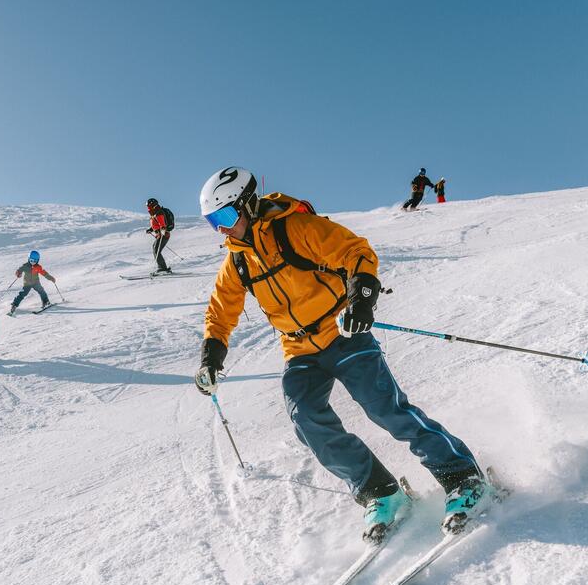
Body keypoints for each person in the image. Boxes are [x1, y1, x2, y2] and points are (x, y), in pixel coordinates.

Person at [195, 166, 490, 543]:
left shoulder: (297, 229)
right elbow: (219, 313)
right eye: (212, 222)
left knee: (385, 408)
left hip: (343, 333)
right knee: (306, 418)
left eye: (225, 216)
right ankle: (381, 492)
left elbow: (356, 252)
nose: (221, 229)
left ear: (248, 204)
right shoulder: (236, 262)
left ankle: (463, 476)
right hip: (299, 349)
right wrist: (210, 358)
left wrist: (361, 301)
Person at [9, 250, 56, 315]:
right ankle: (14, 305)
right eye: (31, 260)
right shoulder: (25, 266)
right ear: (28, 259)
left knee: (42, 291)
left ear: (37, 260)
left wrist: (51, 278)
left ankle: (46, 302)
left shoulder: (38, 267)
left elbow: (44, 273)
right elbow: (19, 270)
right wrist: (18, 274)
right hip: (27, 284)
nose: (33, 262)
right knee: (22, 294)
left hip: (36, 283)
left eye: (35, 261)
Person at [146, 197, 172, 274]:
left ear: (152, 205)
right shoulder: (155, 213)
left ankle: (162, 268)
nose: (147, 207)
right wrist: (150, 229)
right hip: (160, 234)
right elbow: (156, 224)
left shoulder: (158, 213)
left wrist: (163, 229)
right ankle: (162, 268)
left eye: (148, 205)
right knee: (155, 249)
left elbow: (162, 223)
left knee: (156, 250)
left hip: (163, 234)